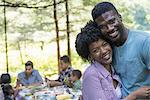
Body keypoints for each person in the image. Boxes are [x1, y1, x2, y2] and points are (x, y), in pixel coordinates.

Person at [75, 21, 150, 100]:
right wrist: (134, 95)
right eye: (95, 51)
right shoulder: (91, 75)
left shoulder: (112, 69)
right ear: (90, 56)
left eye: (104, 44)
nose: (103, 51)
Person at [91, 2, 150, 98]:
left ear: (120, 17)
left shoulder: (145, 42)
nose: (109, 28)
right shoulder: (107, 49)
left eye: (112, 21)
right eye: (103, 26)